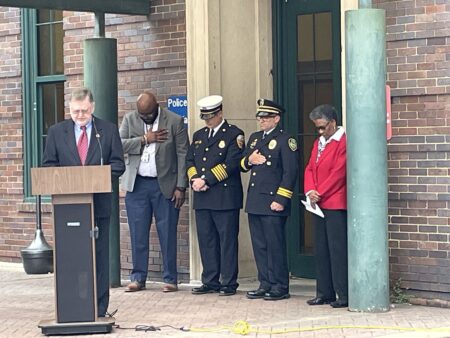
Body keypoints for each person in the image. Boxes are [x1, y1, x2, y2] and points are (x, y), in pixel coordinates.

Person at [42, 87, 125, 317]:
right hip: (67, 208)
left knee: (98, 258)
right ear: (69, 109)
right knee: (70, 257)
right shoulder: (57, 132)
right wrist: (69, 179)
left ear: (93, 108)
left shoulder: (106, 131)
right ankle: (71, 306)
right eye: (76, 111)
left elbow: (118, 164)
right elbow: (48, 165)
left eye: (84, 111)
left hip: (97, 207)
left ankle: (99, 308)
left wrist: (97, 178)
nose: (80, 116)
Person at [120, 90, 189, 293]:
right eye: (143, 116)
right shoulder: (130, 119)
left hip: (165, 186)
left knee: (167, 233)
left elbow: (183, 153)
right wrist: (144, 139)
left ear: (157, 107)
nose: (146, 118)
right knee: (137, 232)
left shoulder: (174, 121)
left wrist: (181, 186)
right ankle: (138, 277)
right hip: (137, 185)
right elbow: (119, 144)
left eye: (149, 115)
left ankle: (170, 278)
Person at [186, 95, 245, 296]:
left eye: (210, 117)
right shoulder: (199, 135)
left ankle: (228, 282)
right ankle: (210, 280)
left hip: (224, 196)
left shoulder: (234, 134)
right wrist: (195, 180)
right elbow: (190, 161)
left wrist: (206, 180)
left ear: (220, 113)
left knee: (226, 241)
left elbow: (231, 164)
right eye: (204, 117)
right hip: (202, 196)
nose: (207, 121)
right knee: (206, 239)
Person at [240, 99, 298, 301]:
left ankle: (280, 285)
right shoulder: (255, 138)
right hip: (255, 199)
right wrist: (249, 160)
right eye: (260, 117)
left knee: (275, 245)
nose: (261, 120)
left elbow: (290, 172)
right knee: (260, 245)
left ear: (276, 118)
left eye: (265, 117)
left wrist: (281, 198)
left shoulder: (285, 139)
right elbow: (242, 163)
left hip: (273, 200)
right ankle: (265, 282)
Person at [304, 104, 348, 308]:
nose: (320, 131)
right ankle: (324, 291)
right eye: (317, 128)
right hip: (318, 202)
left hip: (335, 201)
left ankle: (343, 293)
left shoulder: (343, 140)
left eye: (323, 127)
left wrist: (319, 191)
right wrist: (310, 190)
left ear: (333, 122)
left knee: (337, 249)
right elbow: (310, 168)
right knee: (321, 248)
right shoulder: (318, 142)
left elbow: (339, 172)